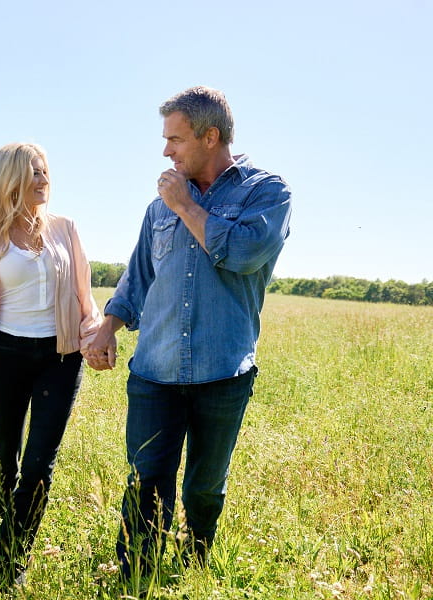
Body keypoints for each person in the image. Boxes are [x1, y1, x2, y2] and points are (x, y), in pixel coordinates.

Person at [84, 86, 292, 579]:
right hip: (154, 370)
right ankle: (137, 571)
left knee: (204, 483)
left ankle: (194, 563)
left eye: (175, 139)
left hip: (223, 370)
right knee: (146, 477)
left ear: (210, 135)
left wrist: (184, 207)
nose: (165, 151)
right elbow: (139, 277)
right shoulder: (159, 207)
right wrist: (108, 326)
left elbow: (242, 254)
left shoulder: (265, 192)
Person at [0, 142, 102, 589]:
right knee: (4, 454)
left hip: (59, 359)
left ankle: (11, 561)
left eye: (45, 172)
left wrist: (95, 338)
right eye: (34, 173)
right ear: (10, 181)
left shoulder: (65, 230)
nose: (43, 180)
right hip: (5, 358)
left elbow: (86, 299)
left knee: (39, 464)